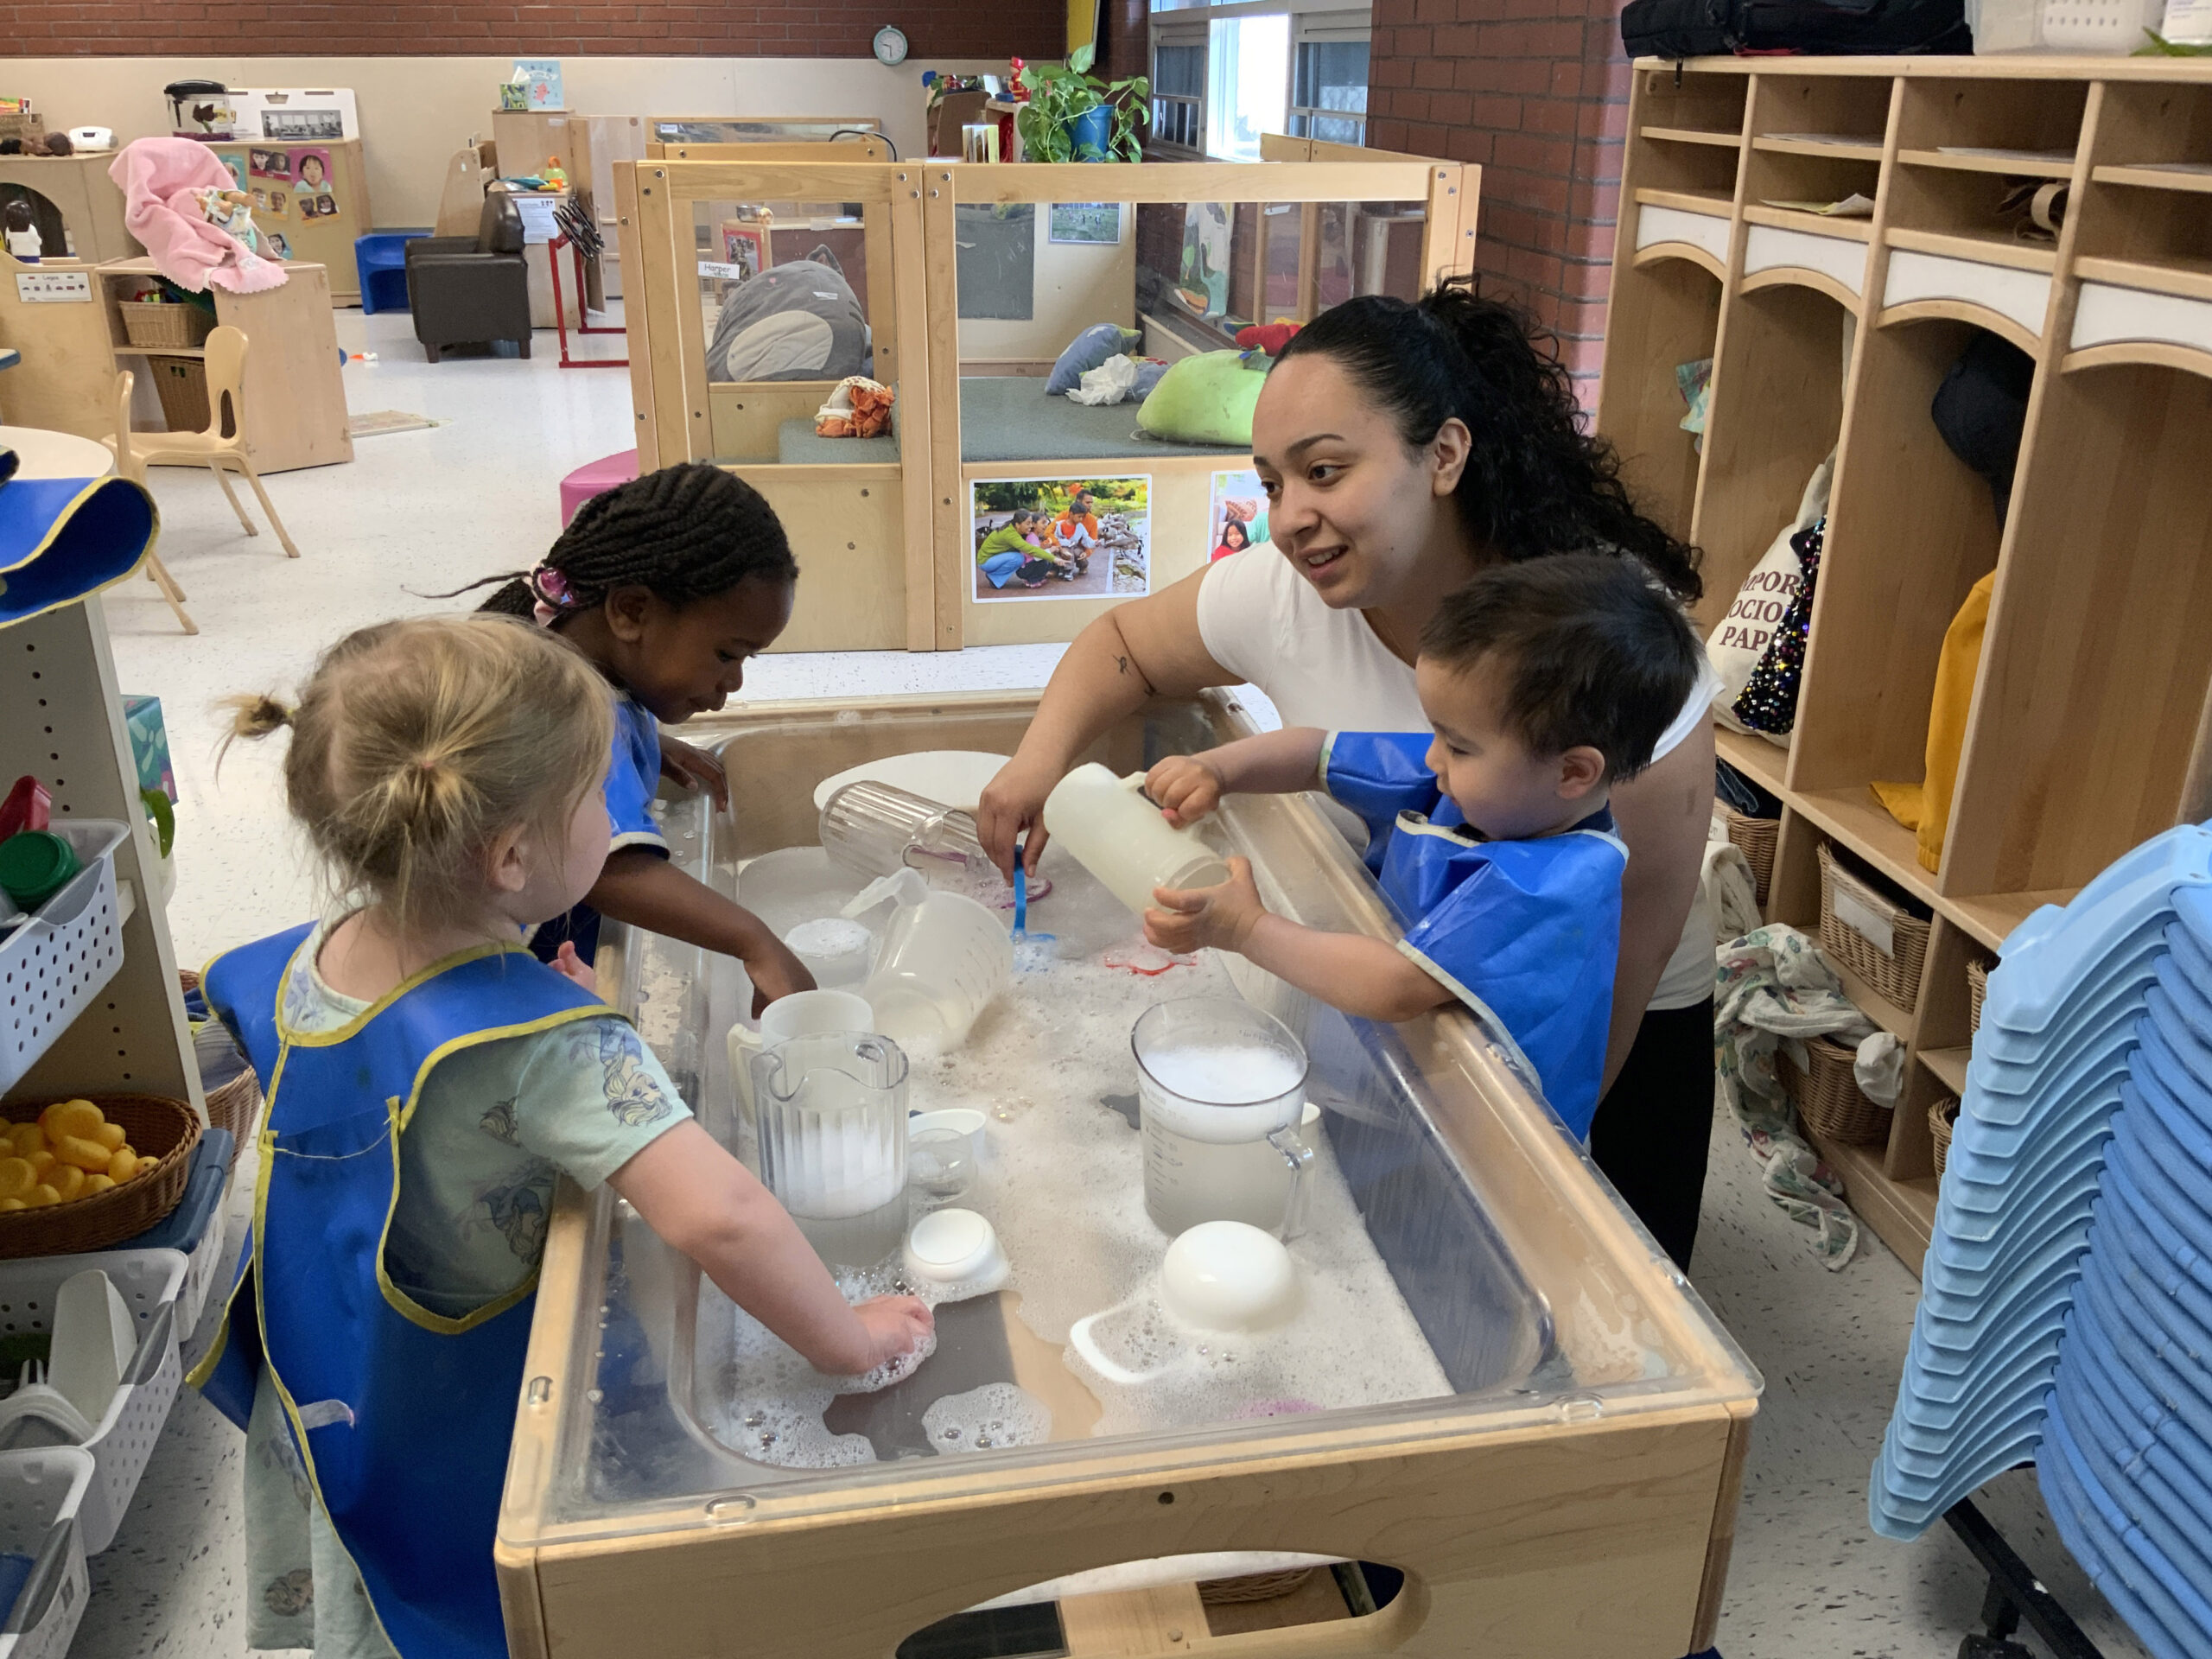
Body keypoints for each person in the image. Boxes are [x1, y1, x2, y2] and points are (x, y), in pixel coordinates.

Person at [194, 616, 932, 1659]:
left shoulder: (282, 966)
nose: (617, 817)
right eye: (600, 799)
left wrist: (533, 999)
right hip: (460, 1415)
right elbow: (719, 1216)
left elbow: (402, 1101)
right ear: (509, 857)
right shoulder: (553, 1052)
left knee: (374, 1570)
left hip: (327, 1368)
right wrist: (850, 1342)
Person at [978, 278, 1724, 1271]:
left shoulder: (1600, 663)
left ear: (1444, 455)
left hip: (1595, 1008)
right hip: (1424, 930)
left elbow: (1608, 976)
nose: (1291, 518)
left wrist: (1543, 1165)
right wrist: (1039, 765)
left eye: (1325, 471)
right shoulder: (1291, 589)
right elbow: (1128, 643)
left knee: (1599, 1272)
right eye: (1272, 482)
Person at [1141, 556, 1700, 1140]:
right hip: (1415, 1091)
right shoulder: (1483, 786)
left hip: (1500, 1146)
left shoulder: (1553, 885)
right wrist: (1216, 771)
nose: (1432, 758)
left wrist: (1243, 929)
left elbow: (1394, 985)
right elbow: (1314, 752)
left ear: (1574, 773)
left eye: (1456, 745)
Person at [457, 462, 813, 1012]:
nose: (735, 681)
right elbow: (610, 871)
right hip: (498, 983)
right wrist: (755, 941)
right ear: (630, 611)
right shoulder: (570, 717)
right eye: (727, 653)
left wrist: (652, 744)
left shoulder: (560, 647)